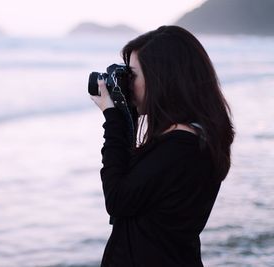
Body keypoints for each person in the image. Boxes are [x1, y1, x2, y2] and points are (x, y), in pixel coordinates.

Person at [90, 25, 234, 267]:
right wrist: (126, 114)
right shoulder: (195, 136)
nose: (128, 83)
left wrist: (113, 118)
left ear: (161, 78)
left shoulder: (180, 148)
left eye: (133, 75)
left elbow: (117, 199)